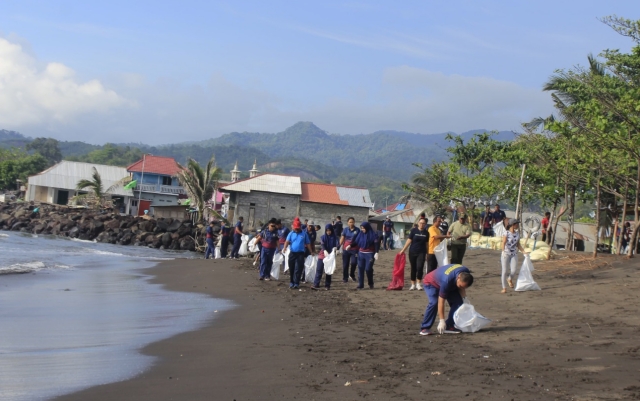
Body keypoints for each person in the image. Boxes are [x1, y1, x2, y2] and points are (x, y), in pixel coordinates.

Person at [419, 264, 474, 335]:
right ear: (458, 277)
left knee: (459, 303)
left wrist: (464, 298)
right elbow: (441, 301)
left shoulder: (466, 273)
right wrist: (441, 320)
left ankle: (449, 325)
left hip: (450, 283)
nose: (462, 288)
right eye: (460, 285)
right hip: (431, 283)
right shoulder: (447, 281)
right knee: (434, 303)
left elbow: (461, 287)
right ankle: (424, 328)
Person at [282, 217, 315, 289]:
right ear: (293, 227)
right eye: (295, 228)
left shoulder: (304, 234)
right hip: (292, 253)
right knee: (292, 268)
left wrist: (311, 251)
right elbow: (287, 241)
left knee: (298, 268)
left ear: (300, 227)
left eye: (297, 228)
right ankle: (291, 282)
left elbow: (308, 243)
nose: (296, 229)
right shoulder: (291, 233)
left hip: (300, 254)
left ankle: (296, 283)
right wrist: (284, 248)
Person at [398, 217, 429, 291]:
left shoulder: (426, 233)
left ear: (425, 224)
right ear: (418, 223)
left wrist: (428, 253)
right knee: (413, 268)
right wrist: (403, 250)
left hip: (422, 252)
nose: (422, 224)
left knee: (420, 267)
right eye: (421, 223)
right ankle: (413, 284)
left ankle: (418, 283)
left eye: (423, 223)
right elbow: (409, 241)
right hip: (412, 251)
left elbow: (427, 244)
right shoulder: (413, 231)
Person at [501, 219, 528, 294]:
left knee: (514, 270)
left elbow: (518, 244)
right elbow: (503, 242)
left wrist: (523, 252)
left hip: (514, 254)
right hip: (506, 254)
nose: (518, 225)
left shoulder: (517, 234)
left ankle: (509, 279)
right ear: (513, 225)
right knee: (505, 271)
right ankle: (504, 288)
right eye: (517, 224)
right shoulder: (506, 233)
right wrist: (503, 251)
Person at [353, 222, 379, 290]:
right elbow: (356, 242)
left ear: (367, 228)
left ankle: (371, 283)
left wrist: (376, 252)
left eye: (363, 228)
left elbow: (376, 244)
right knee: (360, 269)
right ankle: (360, 284)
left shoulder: (373, 235)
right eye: (361, 228)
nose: (362, 229)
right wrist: (350, 246)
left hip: (370, 254)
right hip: (361, 253)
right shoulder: (360, 234)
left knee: (368, 269)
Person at [313, 223, 339, 290]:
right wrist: (324, 250)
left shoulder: (335, 237)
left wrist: (336, 249)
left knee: (328, 270)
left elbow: (337, 244)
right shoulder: (323, 237)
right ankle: (316, 284)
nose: (328, 232)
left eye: (329, 230)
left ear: (332, 230)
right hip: (323, 255)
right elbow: (322, 244)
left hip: (330, 256)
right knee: (319, 269)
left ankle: (327, 285)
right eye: (327, 230)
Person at [340, 217, 360, 283]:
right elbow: (342, 238)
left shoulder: (357, 230)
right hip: (346, 249)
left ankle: (352, 275)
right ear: (347, 223)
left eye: (352, 222)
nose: (351, 223)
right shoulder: (345, 230)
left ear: (354, 222)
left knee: (354, 262)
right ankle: (345, 277)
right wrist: (337, 247)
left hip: (354, 249)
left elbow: (358, 240)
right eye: (350, 222)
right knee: (345, 264)